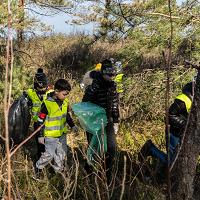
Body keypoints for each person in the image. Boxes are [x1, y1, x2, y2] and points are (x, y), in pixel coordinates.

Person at [138, 81, 194, 179]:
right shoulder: (184, 99)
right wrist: (186, 125)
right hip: (174, 134)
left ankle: (158, 176)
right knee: (173, 163)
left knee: (177, 162)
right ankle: (150, 149)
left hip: (184, 135)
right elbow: (169, 116)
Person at [82, 59, 120, 184]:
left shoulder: (113, 86)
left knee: (112, 149)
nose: (111, 77)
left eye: (112, 74)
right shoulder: (94, 86)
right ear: (103, 73)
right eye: (108, 74)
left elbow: (115, 104)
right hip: (94, 122)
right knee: (95, 149)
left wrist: (115, 121)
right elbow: (85, 104)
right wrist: (92, 119)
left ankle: (107, 178)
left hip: (108, 121)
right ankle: (89, 172)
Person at [34, 79, 78, 179]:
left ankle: (57, 171)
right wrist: (40, 136)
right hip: (50, 135)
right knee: (49, 154)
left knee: (62, 153)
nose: (66, 96)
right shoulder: (46, 104)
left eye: (67, 94)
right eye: (64, 94)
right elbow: (40, 121)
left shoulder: (65, 101)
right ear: (57, 91)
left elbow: (66, 115)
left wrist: (73, 125)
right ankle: (38, 168)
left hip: (62, 133)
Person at [26, 68, 49, 163]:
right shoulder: (30, 93)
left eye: (43, 86)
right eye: (39, 86)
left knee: (49, 144)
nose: (42, 88)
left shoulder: (50, 93)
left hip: (49, 123)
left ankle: (49, 162)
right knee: (40, 144)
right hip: (37, 123)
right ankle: (40, 163)